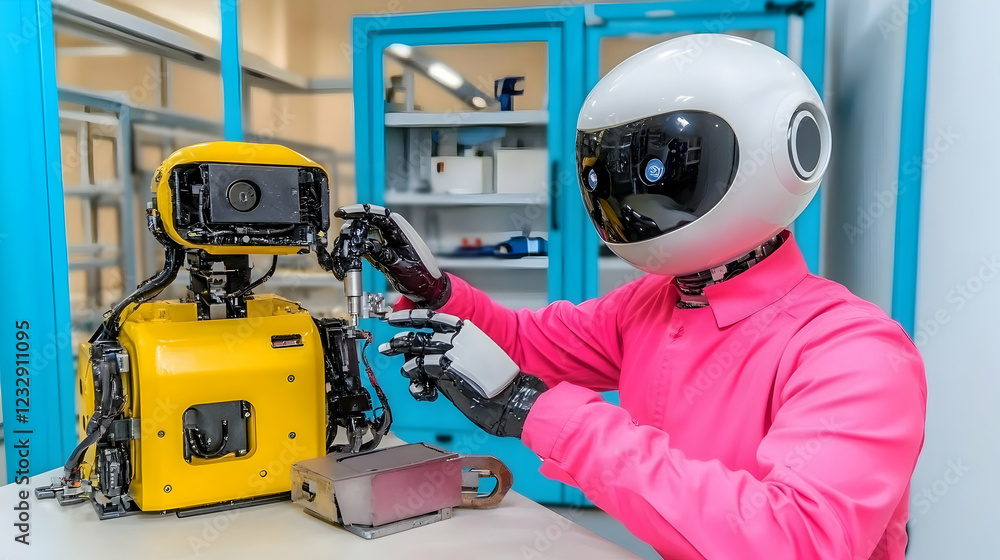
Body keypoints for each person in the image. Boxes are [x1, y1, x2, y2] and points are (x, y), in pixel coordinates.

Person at [337, 35, 926, 560]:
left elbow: (792, 540)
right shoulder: (652, 302)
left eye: (654, 172)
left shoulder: (853, 350)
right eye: (606, 175)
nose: (630, 203)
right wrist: (435, 290)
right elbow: (524, 344)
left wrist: (536, 411)